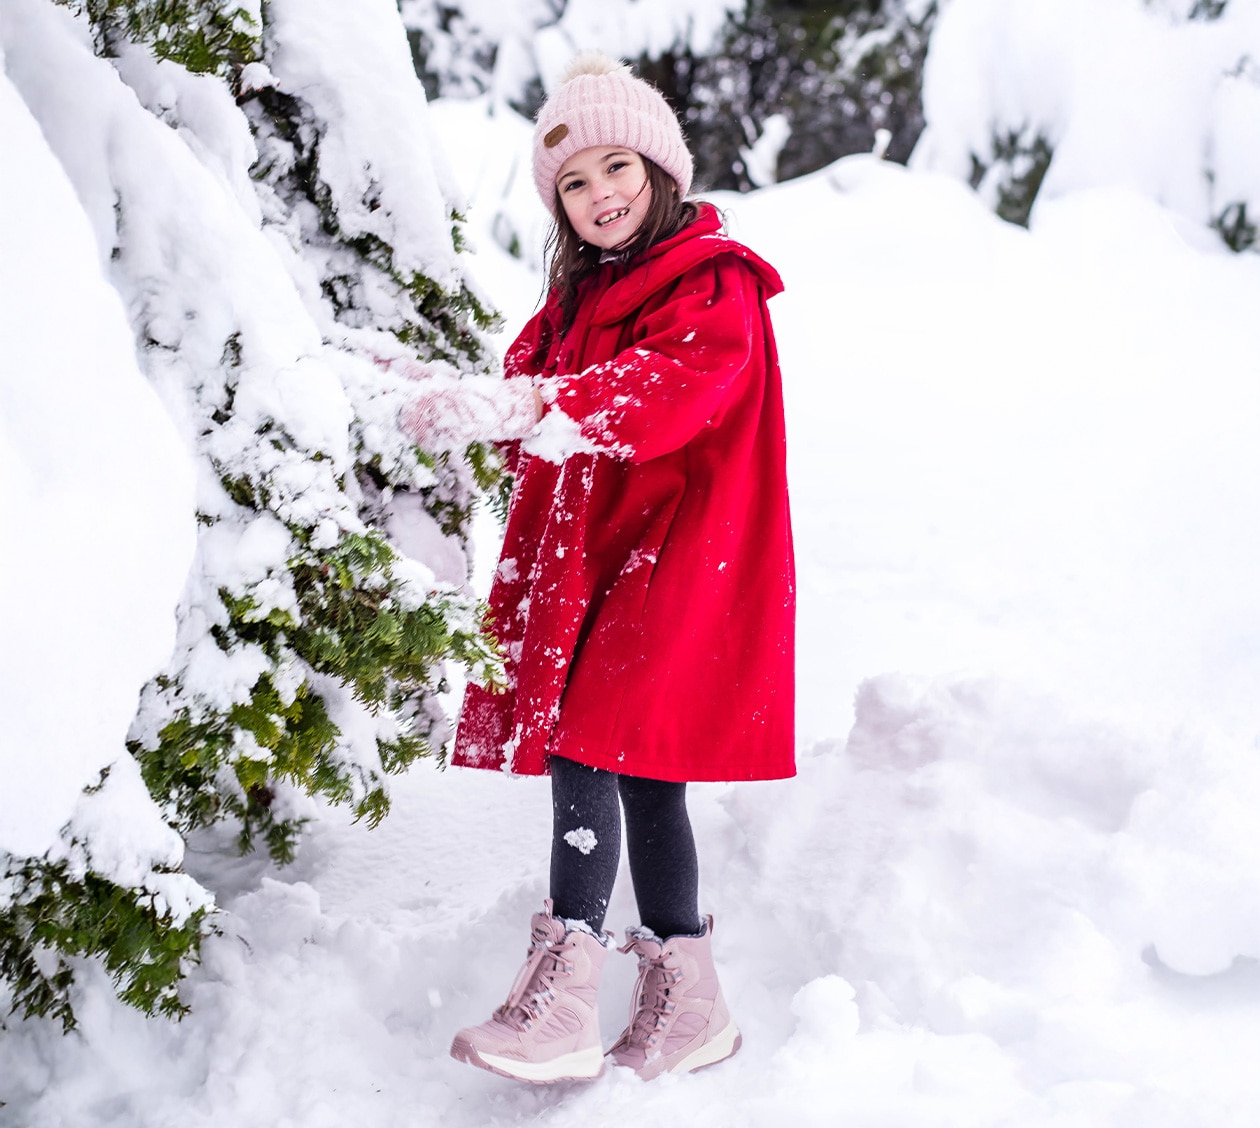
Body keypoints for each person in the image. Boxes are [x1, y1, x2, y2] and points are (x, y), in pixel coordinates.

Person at [399, 50, 795, 1085]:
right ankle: (687, 999)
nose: (598, 195)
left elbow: (667, 387)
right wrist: (470, 399)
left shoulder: (715, 284)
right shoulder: (580, 302)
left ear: (660, 171)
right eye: (573, 183)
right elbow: (532, 396)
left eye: (616, 168)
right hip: (611, 562)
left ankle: (567, 998)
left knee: (594, 750)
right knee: (647, 776)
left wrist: (544, 407)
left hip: (678, 560)